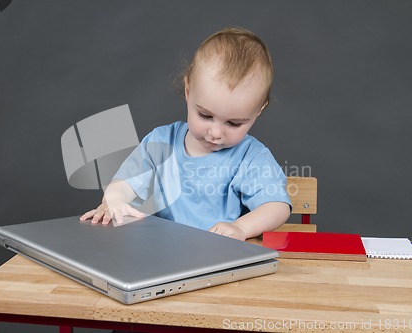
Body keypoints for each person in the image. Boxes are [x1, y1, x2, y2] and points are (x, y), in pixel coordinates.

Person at [80, 27, 291, 241]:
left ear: (258, 110)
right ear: (188, 91)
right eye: (205, 115)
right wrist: (115, 199)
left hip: (217, 256)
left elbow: (277, 206)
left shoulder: (250, 156)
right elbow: (125, 183)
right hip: (160, 255)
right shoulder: (161, 143)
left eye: (234, 123)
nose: (215, 132)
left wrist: (241, 228)